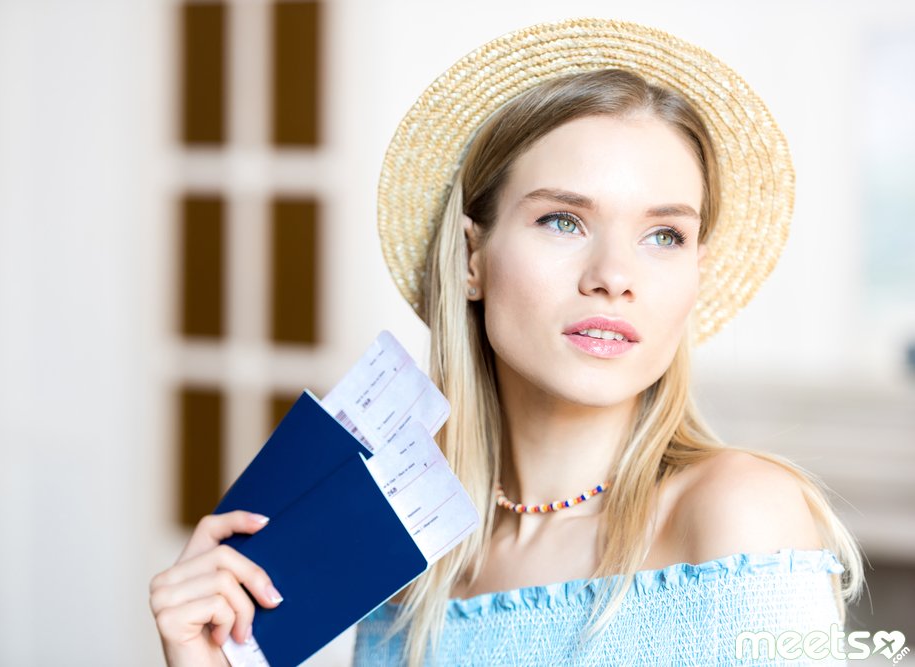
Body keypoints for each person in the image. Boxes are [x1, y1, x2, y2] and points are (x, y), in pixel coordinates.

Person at [150, 18, 864, 667]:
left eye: (663, 234)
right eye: (562, 221)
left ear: (695, 272)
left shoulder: (741, 513)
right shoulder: (412, 570)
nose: (613, 277)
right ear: (471, 258)